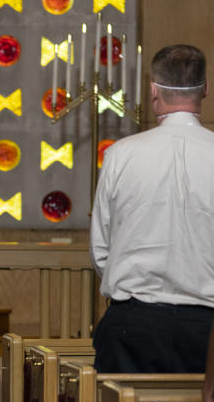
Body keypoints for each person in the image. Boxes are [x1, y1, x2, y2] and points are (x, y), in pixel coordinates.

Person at [91, 44, 214, 374]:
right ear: (205, 88)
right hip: (206, 327)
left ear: (153, 90)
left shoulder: (120, 154)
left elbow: (102, 250)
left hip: (133, 325)